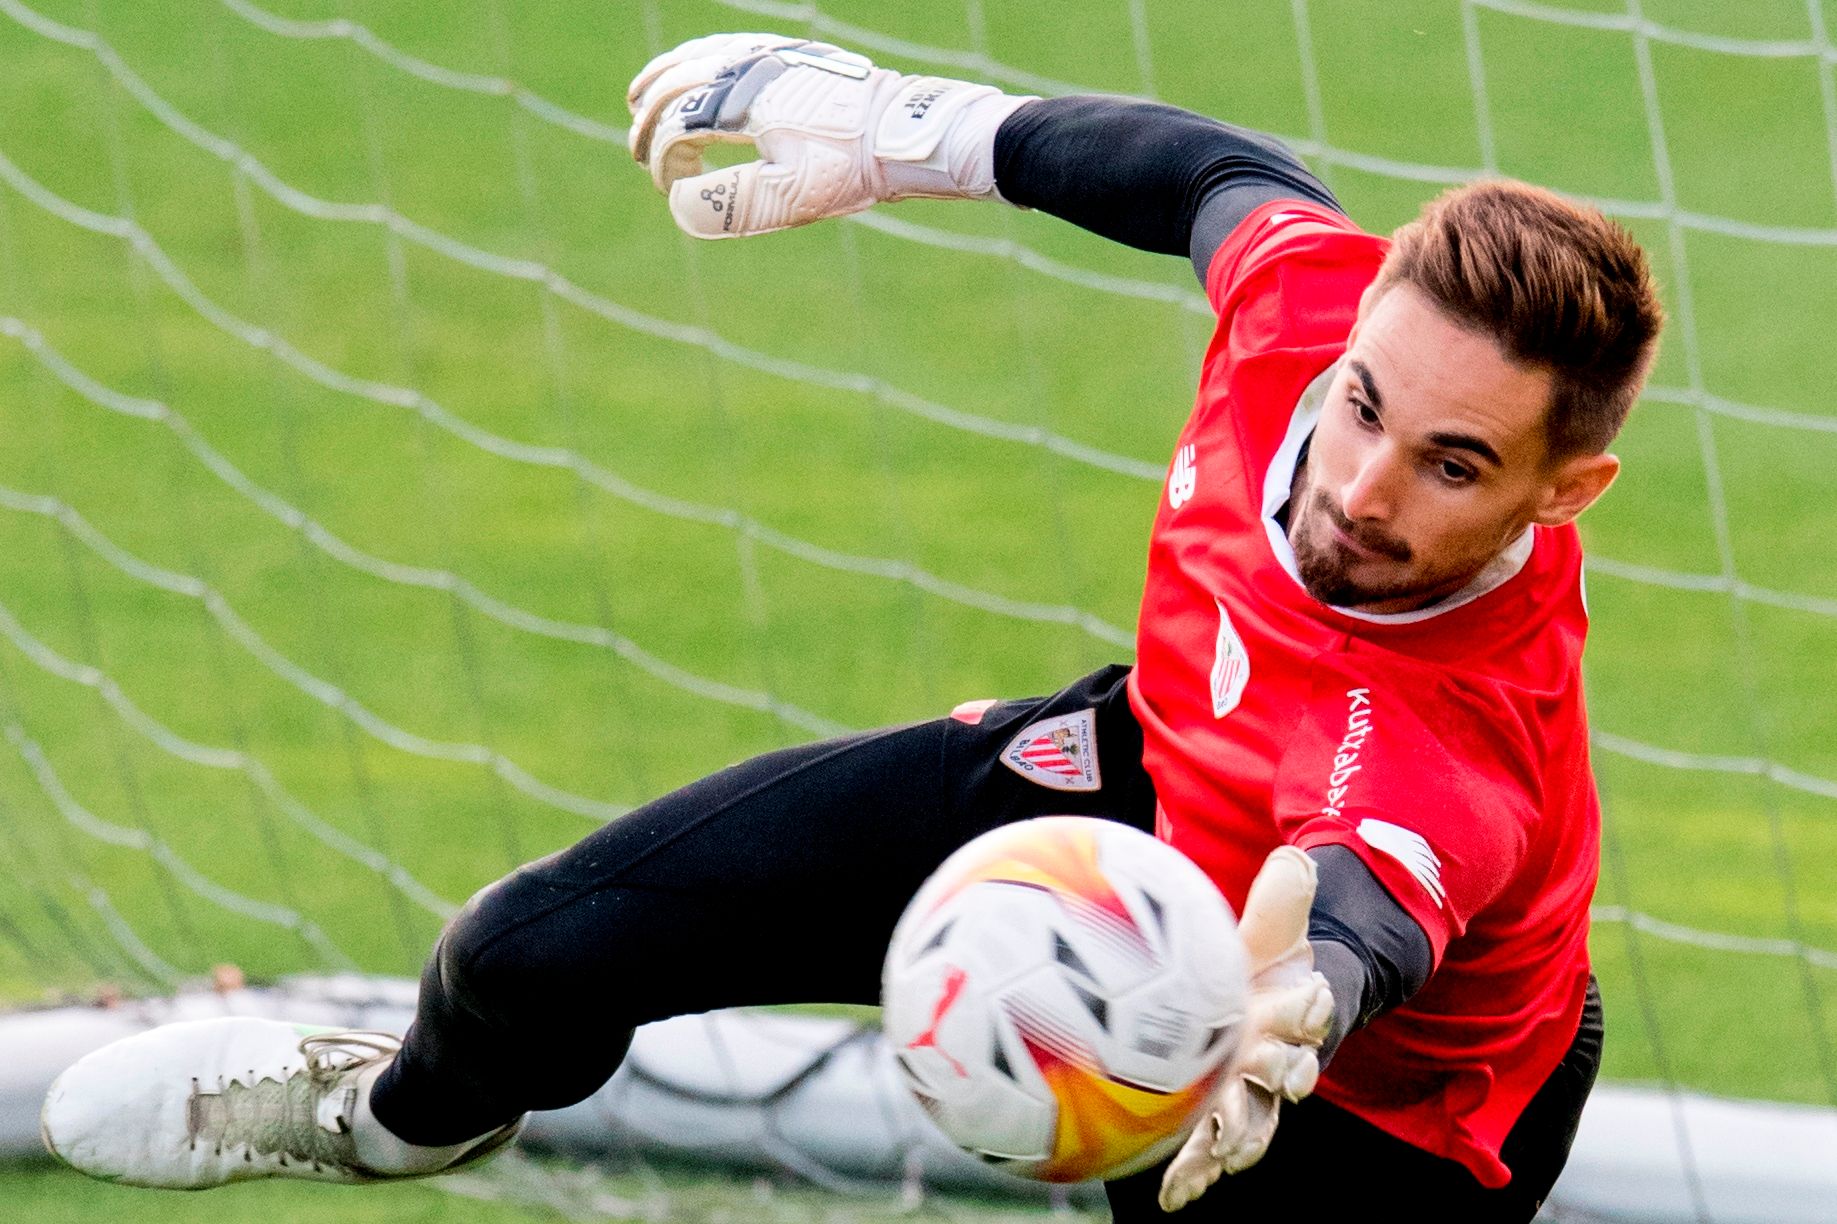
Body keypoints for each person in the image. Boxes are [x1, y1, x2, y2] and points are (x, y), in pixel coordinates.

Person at [40, 33, 1662, 1222]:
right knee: (529, 953)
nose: (1363, 485)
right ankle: (391, 1123)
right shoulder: (1306, 317)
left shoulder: (1455, 735)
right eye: (1366, 404)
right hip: (1143, 789)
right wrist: (910, 133)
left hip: (1372, 1118)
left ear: (1563, 489)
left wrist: (1276, 1010)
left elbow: (1355, 901)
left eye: (1452, 466)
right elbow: (1207, 178)